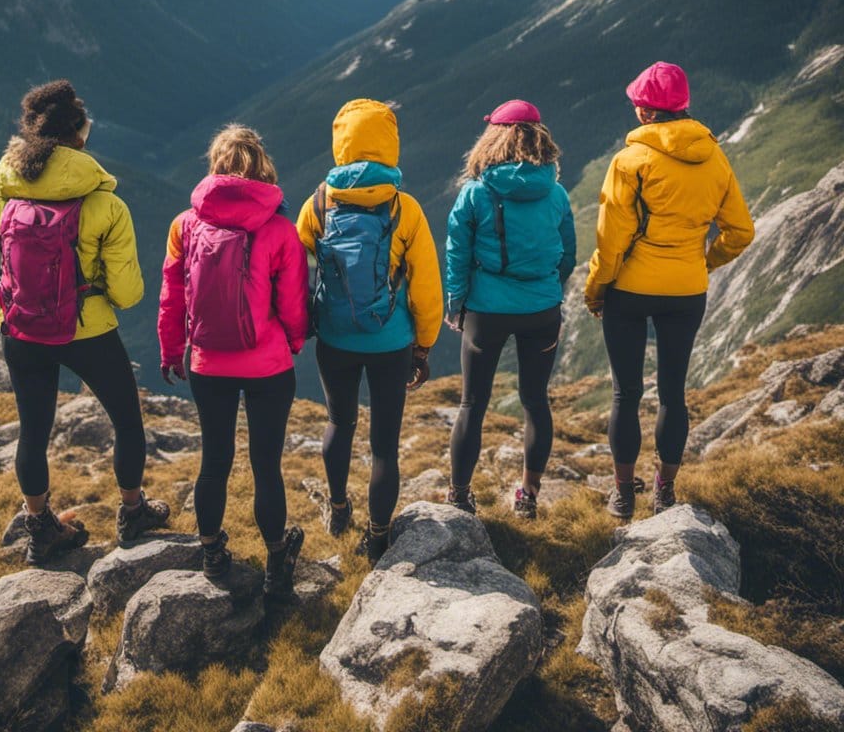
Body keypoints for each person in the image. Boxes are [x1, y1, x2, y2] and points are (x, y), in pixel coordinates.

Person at [0, 79, 169, 565]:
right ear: (78, 135)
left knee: (33, 431)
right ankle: (133, 513)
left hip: (23, 332)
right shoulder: (105, 205)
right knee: (127, 423)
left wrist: (3, 306)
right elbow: (130, 294)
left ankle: (40, 528)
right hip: (88, 332)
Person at [584, 61, 754, 520]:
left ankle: (623, 493)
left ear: (644, 113)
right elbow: (740, 232)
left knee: (626, 393)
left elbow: (611, 240)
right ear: (683, 107)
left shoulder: (630, 162)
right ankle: (665, 490)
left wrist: (597, 288)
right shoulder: (715, 158)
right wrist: (703, 261)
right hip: (686, 291)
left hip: (631, 291)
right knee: (673, 393)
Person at [158, 124, 309, 598]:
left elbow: (172, 296)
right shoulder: (280, 229)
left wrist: (170, 349)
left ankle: (211, 552)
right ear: (261, 167)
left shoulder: (185, 224)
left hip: (208, 363)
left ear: (216, 168)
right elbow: (293, 304)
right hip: (268, 365)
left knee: (215, 460)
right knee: (266, 465)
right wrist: (294, 343)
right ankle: (276, 558)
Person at [297, 99, 443, 563]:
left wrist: (303, 325)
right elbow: (425, 287)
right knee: (384, 443)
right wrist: (423, 345)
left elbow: (296, 274)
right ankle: (378, 534)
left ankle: (339, 508)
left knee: (340, 422)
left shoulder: (317, 203)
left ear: (342, 143)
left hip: (335, 340)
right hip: (391, 342)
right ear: (389, 144)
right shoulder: (405, 209)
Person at [445, 100, 576, 519]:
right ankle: (529, 496)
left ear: (492, 139)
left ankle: (460, 495)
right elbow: (568, 256)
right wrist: (548, 289)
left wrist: (456, 304)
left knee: (472, 404)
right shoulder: (555, 193)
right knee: (536, 401)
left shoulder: (475, 193)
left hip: (486, 311)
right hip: (541, 310)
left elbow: (457, 255)